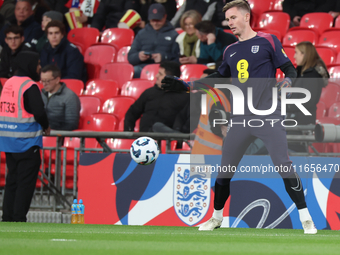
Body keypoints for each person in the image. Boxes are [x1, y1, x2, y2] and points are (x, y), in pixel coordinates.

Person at [172, 0, 317, 234]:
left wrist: (287, 82)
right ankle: (216, 218)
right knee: (224, 171)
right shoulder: (230, 50)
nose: (229, 23)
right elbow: (217, 78)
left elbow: (289, 69)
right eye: (227, 19)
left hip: (268, 116)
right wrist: (187, 86)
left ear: (246, 17)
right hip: (239, 118)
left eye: (232, 18)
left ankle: (306, 217)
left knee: (283, 165)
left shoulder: (268, 40)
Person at [0, 51, 50, 222]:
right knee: (25, 183)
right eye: (37, 63)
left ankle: (7, 217)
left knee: (12, 181)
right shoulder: (29, 85)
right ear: (28, 64)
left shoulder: (9, 83)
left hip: (8, 141)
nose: (39, 67)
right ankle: (18, 217)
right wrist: (46, 126)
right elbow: (39, 111)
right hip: (27, 142)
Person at [286, 41, 329, 152]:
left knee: (294, 151)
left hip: (301, 122)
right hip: (294, 120)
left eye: (296, 53)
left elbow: (308, 100)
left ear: (304, 55)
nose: (294, 56)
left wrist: (287, 106)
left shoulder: (312, 76)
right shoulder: (301, 74)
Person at [124, 61, 189, 132]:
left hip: (167, 140)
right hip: (144, 139)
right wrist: (128, 132)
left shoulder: (185, 97)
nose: (156, 76)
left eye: (160, 74)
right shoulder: (149, 92)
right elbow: (132, 113)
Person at [128, 3, 179, 78]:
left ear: (165, 17)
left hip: (165, 69)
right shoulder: (141, 33)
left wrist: (163, 57)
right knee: (133, 71)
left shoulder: (174, 34)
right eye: (153, 20)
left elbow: (178, 59)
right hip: (143, 67)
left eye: (158, 20)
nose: (155, 23)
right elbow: (130, 57)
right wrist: (139, 56)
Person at [40, 65, 81, 131]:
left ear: (57, 80)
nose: (44, 84)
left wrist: (52, 130)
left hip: (58, 135)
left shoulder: (70, 97)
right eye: (42, 81)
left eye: (47, 81)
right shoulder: (41, 94)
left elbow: (71, 124)